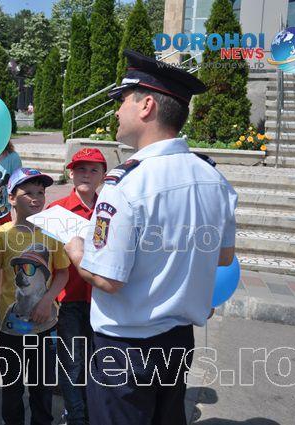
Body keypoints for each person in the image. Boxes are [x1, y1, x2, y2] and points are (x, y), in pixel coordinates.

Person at [63, 50, 238, 425]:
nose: (116, 111)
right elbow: (224, 257)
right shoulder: (213, 178)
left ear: (146, 106)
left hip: (126, 350)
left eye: (122, 100)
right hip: (178, 341)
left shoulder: (126, 183)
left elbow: (108, 279)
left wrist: (76, 251)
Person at [0, 167, 70, 425]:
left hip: (45, 327)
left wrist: (47, 301)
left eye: (41, 192)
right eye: (29, 193)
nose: (36, 198)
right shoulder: (0, 236)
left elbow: (63, 273)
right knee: (11, 388)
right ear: (11, 198)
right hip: (10, 329)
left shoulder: (51, 233)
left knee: (42, 388)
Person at [46, 148, 107, 425]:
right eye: (81, 169)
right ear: (70, 173)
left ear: (103, 176)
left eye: (94, 170)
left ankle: (91, 411)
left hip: (101, 299)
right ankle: (76, 417)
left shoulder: (108, 211)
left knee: (96, 362)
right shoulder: (56, 211)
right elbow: (44, 254)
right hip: (67, 299)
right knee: (71, 363)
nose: (86, 174)